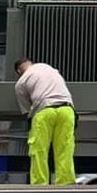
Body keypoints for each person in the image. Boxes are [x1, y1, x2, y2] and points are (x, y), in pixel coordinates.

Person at [14, 58, 76, 186]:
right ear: (31, 64)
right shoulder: (49, 68)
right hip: (67, 110)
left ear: (19, 71)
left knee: (39, 151)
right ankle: (66, 183)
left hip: (44, 112)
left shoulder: (21, 82)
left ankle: (39, 184)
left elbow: (28, 110)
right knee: (65, 149)